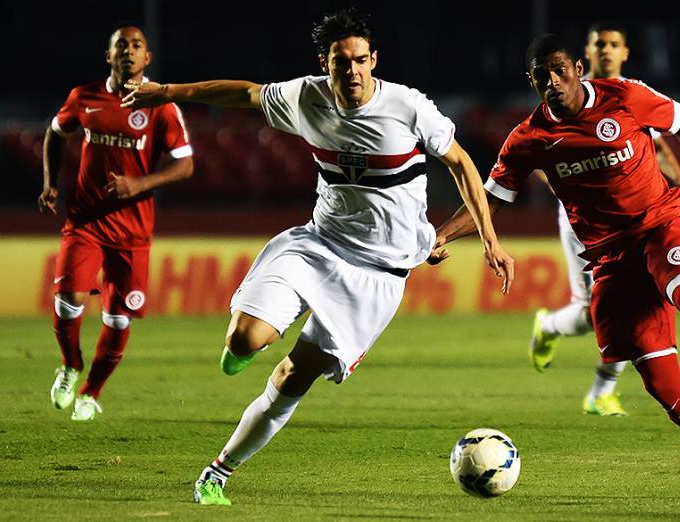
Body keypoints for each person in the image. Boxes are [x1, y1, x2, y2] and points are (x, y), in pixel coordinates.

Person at [121, 8, 514, 506]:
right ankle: (240, 349)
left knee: (291, 377)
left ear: (374, 60)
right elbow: (244, 94)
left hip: (378, 277)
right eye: (340, 62)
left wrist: (488, 240)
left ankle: (217, 473)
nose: (351, 71)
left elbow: (459, 162)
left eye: (359, 60)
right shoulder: (306, 96)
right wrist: (170, 92)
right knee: (244, 341)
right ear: (324, 64)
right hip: (317, 245)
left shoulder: (409, 108)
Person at [429, 34, 680, 502]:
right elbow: (488, 199)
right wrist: (442, 235)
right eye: (540, 76)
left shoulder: (625, 96)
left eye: (559, 70)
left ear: (577, 67)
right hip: (609, 258)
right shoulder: (529, 138)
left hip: (662, 225)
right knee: (660, 382)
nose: (552, 82)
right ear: (531, 81)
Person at [531, 23, 680, 417]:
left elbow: (653, 144)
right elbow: (535, 155)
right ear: (585, 55)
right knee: (592, 311)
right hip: (584, 221)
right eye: (599, 45)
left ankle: (601, 392)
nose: (605, 51)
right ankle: (550, 327)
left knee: (631, 303)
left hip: (632, 218)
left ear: (624, 53)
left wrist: (679, 176)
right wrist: (567, 184)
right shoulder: (561, 92)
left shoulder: (630, 92)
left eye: (613, 45)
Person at [40, 22, 194, 421]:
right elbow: (56, 133)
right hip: (85, 221)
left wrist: (141, 183)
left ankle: (91, 392)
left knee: (117, 317)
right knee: (68, 300)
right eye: (121, 45)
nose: (129, 51)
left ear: (148, 57)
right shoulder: (85, 97)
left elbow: (185, 165)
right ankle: (70, 366)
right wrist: (49, 183)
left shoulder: (161, 106)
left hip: (132, 230)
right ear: (109, 56)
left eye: (137, 45)